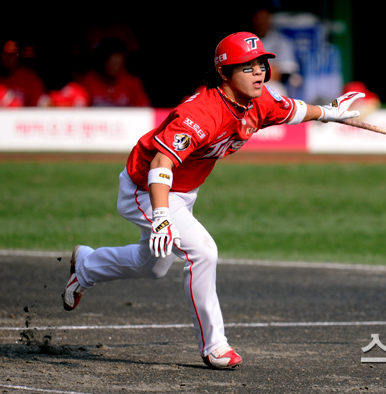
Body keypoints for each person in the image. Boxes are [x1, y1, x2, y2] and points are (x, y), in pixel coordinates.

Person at [61, 32, 364, 370]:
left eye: (261, 64)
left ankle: (85, 266)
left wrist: (328, 112)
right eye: (247, 67)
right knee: (203, 252)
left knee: (154, 265)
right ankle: (214, 346)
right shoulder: (202, 113)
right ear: (224, 73)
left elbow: (292, 110)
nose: (259, 72)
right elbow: (161, 163)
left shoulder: (257, 100)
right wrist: (161, 215)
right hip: (146, 189)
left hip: (183, 192)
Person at [76, 37, 151, 107]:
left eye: (118, 63)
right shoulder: (86, 83)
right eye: (112, 63)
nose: (115, 68)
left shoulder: (132, 83)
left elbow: (144, 109)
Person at [251, 7, 301, 96]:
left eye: (264, 18)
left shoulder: (281, 40)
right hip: (250, 85)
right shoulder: (246, 41)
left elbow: (284, 72)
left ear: (270, 19)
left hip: (273, 85)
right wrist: (269, 70)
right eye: (258, 18)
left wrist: (255, 72)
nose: (261, 22)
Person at [0, 40, 46, 106]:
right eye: (6, 53)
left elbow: (41, 103)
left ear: (18, 56)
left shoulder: (29, 78)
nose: (9, 58)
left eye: (13, 54)